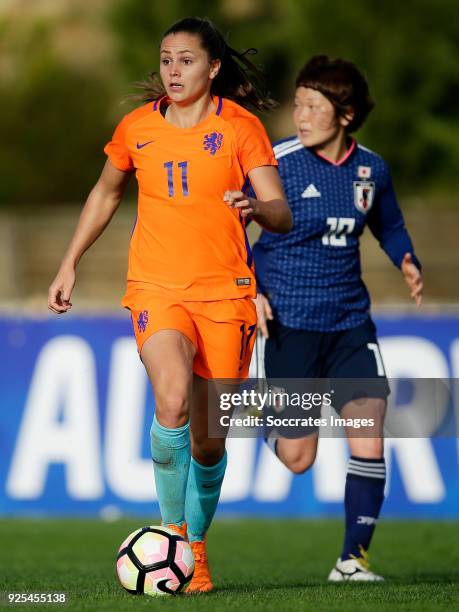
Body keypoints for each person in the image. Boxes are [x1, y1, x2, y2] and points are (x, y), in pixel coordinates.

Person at [48, 17, 292, 593]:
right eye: (165, 59)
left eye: (186, 60)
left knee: (210, 438)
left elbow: (281, 211)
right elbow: (107, 190)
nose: (173, 70)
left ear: (213, 68)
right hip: (156, 288)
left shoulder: (241, 129)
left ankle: (197, 548)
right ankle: (174, 536)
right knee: (174, 398)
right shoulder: (136, 128)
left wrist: (255, 209)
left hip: (226, 295)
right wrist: (69, 262)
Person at [253, 55, 423, 581]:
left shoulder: (372, 169)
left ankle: (353, 560)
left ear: (345, 115)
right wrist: (248, 288)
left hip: (350, 322)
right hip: (290, 322)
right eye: (297, 103)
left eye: (312, 105)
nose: (299, 115)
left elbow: (388, 224)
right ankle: (264, 415)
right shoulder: (274, 162)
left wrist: (407, 259)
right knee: (299, 458)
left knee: (369, 433)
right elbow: (233, 228)